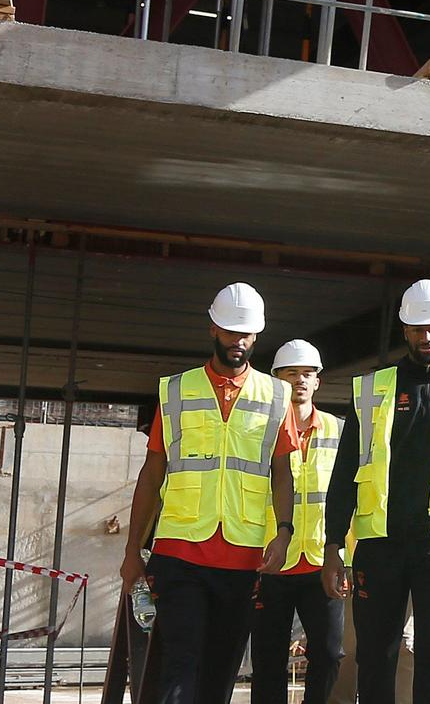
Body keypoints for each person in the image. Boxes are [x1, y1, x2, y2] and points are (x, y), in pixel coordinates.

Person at [119, 282, 299, 704]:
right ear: (213, 329)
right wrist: (132, 549)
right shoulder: (176, 391)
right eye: (230, 331)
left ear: (256, 336)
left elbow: (282, 471)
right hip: (179, 553)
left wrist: (285, 531)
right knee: (181, 662)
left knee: (221, 668)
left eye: (246, 333)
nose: (238, 341)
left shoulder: (276, 396)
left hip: (242, 554)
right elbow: (152, 474)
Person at [322, 279, 430, 704]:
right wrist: (332, 545)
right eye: (418, 329)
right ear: (405, 331)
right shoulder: (370, 390)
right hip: (380, 545)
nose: (426, 337)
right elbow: (345, 473)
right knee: (376, 656)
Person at [252, 339, 345, 704]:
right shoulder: (260, 431)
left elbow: (349, 498)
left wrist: (346, 557)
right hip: (271, 563)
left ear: (318, 381)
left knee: (329, 654)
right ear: (277, 379)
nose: (301, 380)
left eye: (308, 373)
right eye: (292, 373)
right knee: (267, 660)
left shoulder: (339, 432)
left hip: (322, 561)